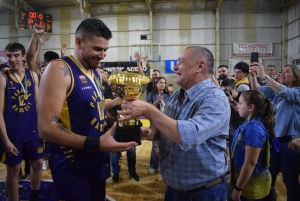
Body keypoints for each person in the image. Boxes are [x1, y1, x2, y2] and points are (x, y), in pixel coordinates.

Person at [37, 18, 138, 201]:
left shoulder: (92, 72)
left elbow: (97, 110)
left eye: (105, 50)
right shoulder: (59, 69)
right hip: (72, 165)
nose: (102, 55)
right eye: (97, 49)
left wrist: (128, 128)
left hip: (96, 160)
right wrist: (96, 144)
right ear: (78, 42)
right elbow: (45, 128)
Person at [119, 46, 230, 200]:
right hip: (173, 188)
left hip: (203, 192)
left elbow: (188, 136)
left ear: (200, 66)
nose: (175, 66)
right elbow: (165, 127)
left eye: (181, 62)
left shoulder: (215, 98)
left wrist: (147, 109)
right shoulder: (178, 94)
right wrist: (150, 133)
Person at [0, 42, 45, 201]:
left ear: (23, 56)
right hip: (12, 132)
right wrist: (5, 141)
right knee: (14, 169)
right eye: (9, 56)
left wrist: (43, 128)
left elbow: (38, 104)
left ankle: (34, 195)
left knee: (38, 163)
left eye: (16, 55)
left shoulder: (32, 76)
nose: (12, 59)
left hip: (32, 129)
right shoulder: (3, 78)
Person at [250, 62, 300, 201]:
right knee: (269, 175)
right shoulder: (276, 93)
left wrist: (264, 76)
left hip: (290, 142)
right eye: (282, 70)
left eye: (287, 71)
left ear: (295, 77)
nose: (282, 73)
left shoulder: (297, 92)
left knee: (289, 179)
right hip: (275, 141)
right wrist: (254, 77)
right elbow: (257, 92)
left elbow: (286, 92)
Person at [230, 90, 274, 201]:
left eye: (240, 103)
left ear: (251, 107)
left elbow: (250, 162)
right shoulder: (250, 122)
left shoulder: (254, 128)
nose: (237, 106)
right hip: (246, 181)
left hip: (251, 185)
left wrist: (238, 187)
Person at [147, 77, 171, 174]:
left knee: (166, 145)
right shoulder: (152, 94)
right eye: (161, 82)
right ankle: (154, 165)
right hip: (155, 121)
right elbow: (148, 108)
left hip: (166, 121)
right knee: (155, 146)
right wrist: (157, 102)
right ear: (156, 84)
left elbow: (170, 108)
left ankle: (165, 166)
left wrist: (162, 102)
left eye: (164, 83)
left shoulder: (168, 95)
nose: (163, 84)